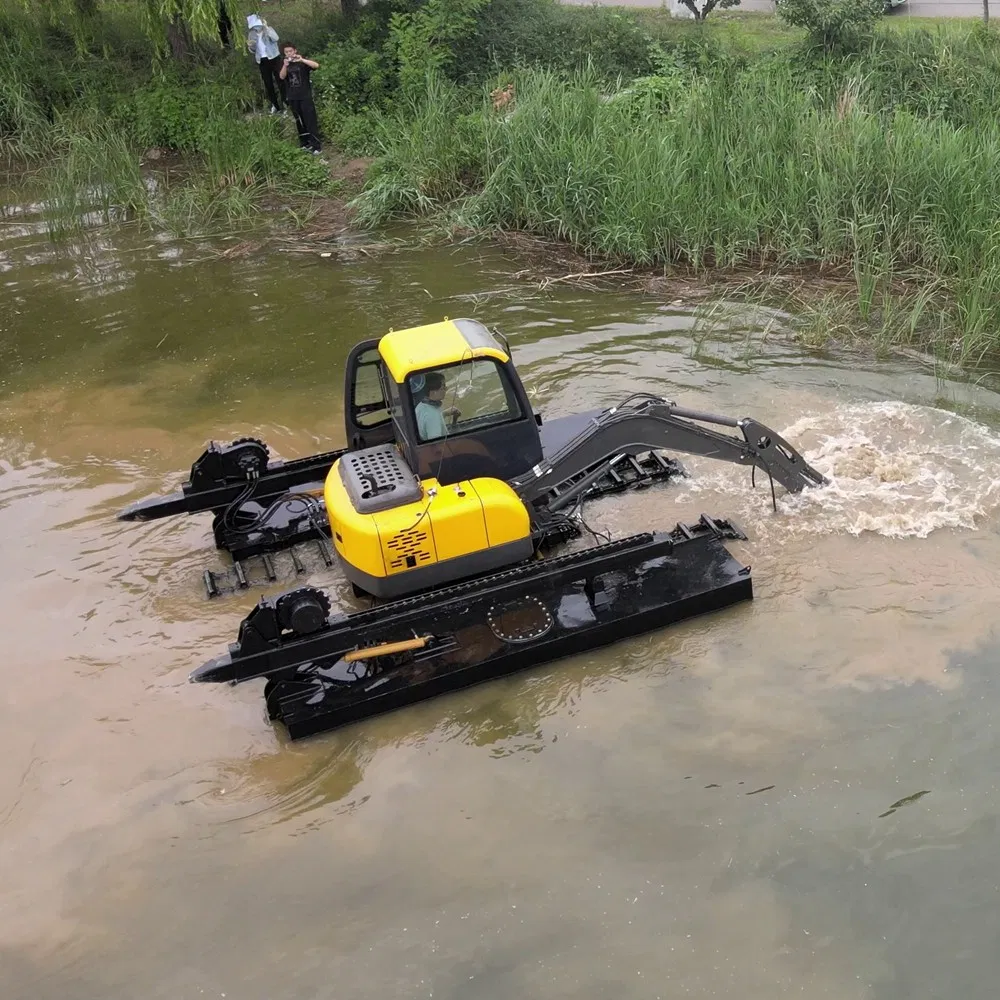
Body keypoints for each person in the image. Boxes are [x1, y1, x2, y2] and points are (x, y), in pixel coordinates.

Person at [279, 43, 322, 155]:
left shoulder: (302, 63)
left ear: (295, 51)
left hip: (305, 96)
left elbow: (316, 65)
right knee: (299, 121)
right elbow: (282, 77)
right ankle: (305, 143)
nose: (289, 53)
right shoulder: (285, 64)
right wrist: (285, 65)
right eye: (286, 52)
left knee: (310, 120)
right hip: (293, 97)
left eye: (290, 51)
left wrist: (302, 60)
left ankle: (316, 145)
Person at [246, 14, 283, 114]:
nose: (256, 28)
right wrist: (251, 46)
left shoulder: (268, 29)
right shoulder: (251, 34)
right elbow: (253, 50)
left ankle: (285, 103)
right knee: (268, 84)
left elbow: (276, 38)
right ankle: (275, 105)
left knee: (280, 81)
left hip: (274, 58)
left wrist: (266, 28)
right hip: (262, 61)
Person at [414, 372, 460, 441]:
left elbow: (428, 423)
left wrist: (444, 413)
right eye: (443, 387)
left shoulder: (420, 405)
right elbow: (436, 444)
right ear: (433, 392)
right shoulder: (433, 416)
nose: (446, 389)